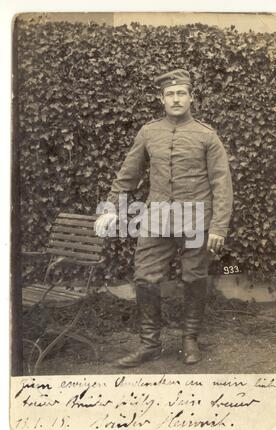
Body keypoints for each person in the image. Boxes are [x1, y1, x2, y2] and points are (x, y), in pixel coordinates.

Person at [94, 69, 233, 367]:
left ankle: (189, 339)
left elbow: (222, 183)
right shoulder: (148, 132)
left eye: (181, 93)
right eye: (170, 94)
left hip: (196, 218)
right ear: (162, 99)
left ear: (191, 97)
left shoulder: (207, 135)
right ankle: (149, 344)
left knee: (194, 278)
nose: (176, 98)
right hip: (157, 217)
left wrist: (219, 226)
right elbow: (127, 175)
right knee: (145, 277)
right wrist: (110, 207)